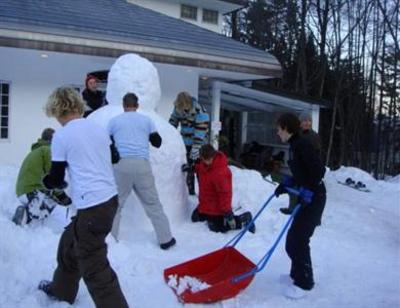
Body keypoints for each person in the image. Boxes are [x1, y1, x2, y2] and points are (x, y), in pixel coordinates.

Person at [38, 87, 128, 308]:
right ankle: (61, 290)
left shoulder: (62, 135)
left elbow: (57, 179)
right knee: (69, 244)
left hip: (93, 207)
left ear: (58, 110)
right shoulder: (97, 128)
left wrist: (48, 182)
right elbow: (115, 157)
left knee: (93, 264)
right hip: (109, 200)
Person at [108, 92, 175, 250]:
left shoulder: (114, 122)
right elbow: (157, 142)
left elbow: (107, 143)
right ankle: (166, 239)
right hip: (142, 165)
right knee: (153, 204)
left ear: (124, 105)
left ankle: (110, 239)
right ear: (137, 106)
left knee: (116, 205)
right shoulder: (146, 120)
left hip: (121, 166)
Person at [274, 113, 326, 299]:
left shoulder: (302, 144)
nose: (277, 132)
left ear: (287, 128)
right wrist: (287, 183)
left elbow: (318, 171)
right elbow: (303, 172)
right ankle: (296, 275)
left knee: (299, 240)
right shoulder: (295, 145)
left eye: (279, 128)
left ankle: (305, 283)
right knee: (292, 241)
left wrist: (309, 191)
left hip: (315, 197)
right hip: (308, 196)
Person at [12, 128, 72, 225]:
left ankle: (26, 217)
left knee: (45, 205)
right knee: (50, 204)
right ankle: (27, 213)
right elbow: (53, 176)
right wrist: (61, 195)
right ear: (53, 141)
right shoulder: (48, 150)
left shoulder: (36, 151)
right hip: (33, 190)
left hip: (23, 191)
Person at [191, 144, 255, 233]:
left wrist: (227, 211)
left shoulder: (220, 173)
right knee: (195, 218)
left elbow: (225, 193)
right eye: (204, 160)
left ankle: (244, 218)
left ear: (213, 156)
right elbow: (200, 169)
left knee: (216, 227)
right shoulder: (204, 164)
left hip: (217, 208)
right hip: (205, 204)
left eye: (209, 159)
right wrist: (192, 168)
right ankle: (209, 216)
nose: (207, 162)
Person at [279, 111, 322, 215]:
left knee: (303, 190)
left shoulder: (312, 137)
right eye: (304, 121)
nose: (307, 123)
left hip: (309, 173)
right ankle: (293, 208)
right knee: (296, 187)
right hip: (299, 169)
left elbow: (314, 160)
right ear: (299, 123)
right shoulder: (297, 137)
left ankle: (300, 210)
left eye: (309, 121)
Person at [169, 91, 209, 195]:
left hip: (199, 143)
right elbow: (173, 121)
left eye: (185, 108)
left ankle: (203, 193)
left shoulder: (199, 110)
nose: (183, 111)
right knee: (189, 168)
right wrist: (168, 134)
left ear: (188, 103)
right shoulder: (178, 108)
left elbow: (201, 130)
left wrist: (196, 147)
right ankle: (190, 192)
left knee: (200, 169)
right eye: (181, 109)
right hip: (185, 143)